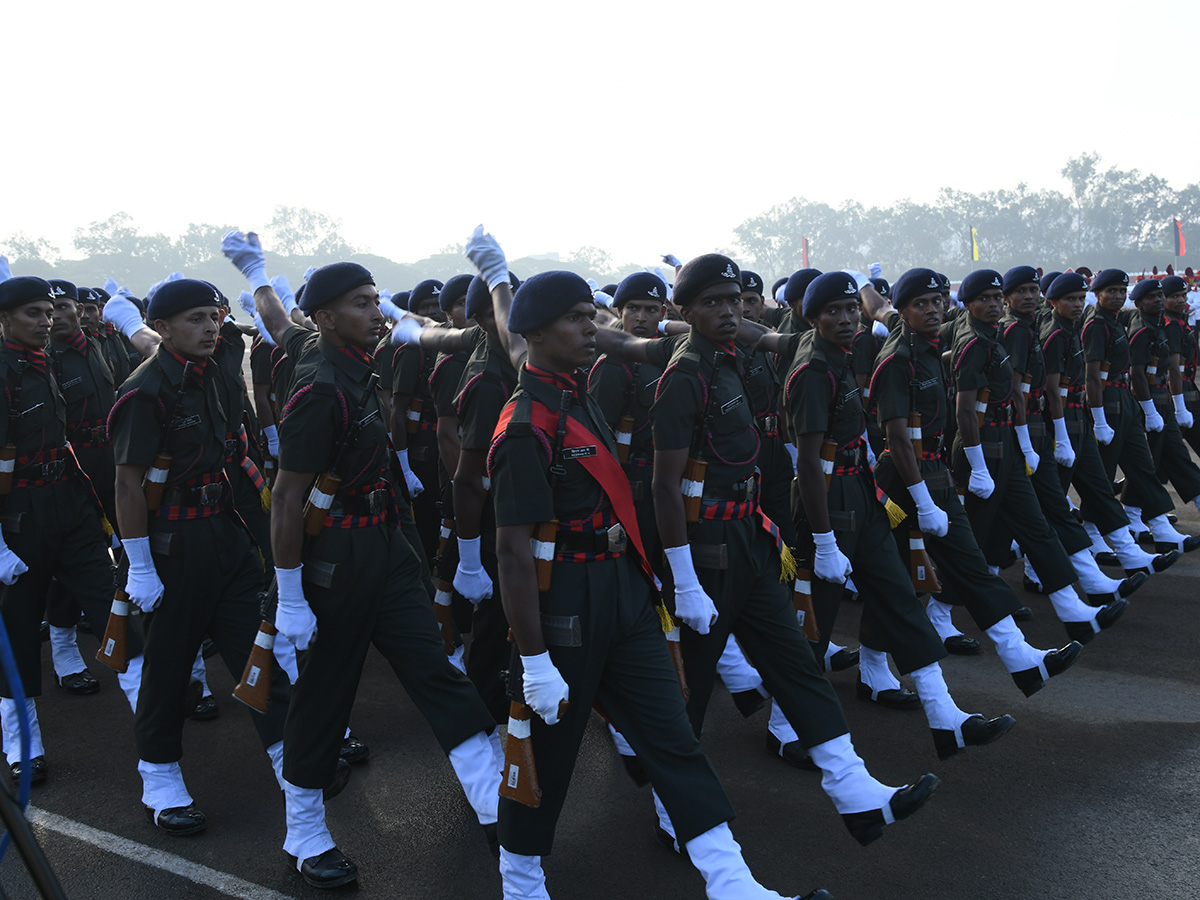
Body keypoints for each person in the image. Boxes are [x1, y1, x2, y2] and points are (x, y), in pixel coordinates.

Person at [467, 228, 846, 900]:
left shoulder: (570, 380)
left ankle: (733, 883)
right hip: (565, 608)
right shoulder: (525, 425)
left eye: (593, 314)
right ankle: (521, 882)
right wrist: (531, 661)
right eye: (580, 319)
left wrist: (502, 279)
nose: (595, 327)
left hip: (624, 591)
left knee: (672, 736)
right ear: (539, 333)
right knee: (545, 759)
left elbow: (528, 328)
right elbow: (512, 552)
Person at [222, 232, 501, 890]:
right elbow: (286, 499)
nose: (377, 312)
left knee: (437, 672)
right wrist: (289, 596)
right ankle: (305, 830)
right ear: (327, 317)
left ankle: (493, 803)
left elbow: (274, 317)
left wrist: (257, 272)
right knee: (323, 696)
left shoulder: (324, 345)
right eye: (361, 303)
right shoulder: (321, 388)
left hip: (386, 550)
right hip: (336, 561)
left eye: (377, 300)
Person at [107, 278, 289, 835]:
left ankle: (292, 762)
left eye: (213, 316)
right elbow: (128, 485)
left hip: (225, 532)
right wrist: (138, 563)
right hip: (174, 546)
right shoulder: (145, 392)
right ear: (160, 329)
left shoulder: (215, 374)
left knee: (259, 656)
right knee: (166, 670)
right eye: (195, 319)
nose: (211, 327)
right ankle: (159, 777)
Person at [864, 268, 1082, 696]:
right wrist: (925, 502)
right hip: (903, 478)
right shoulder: (896, 360)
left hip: (935, 471)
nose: (932, 309)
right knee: (895, 579)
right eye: (921, 304)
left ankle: (1019, 654)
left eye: (937, 301)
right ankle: (870, 666)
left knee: (968, 560)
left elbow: (884, 309)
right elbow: (895, 439)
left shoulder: (929, 344)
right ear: (907, 310)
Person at [0, 277, 144, 784]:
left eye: (48, 312)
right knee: (18, 628)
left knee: (111, 606)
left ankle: (152, 728)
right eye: (33, 314)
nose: (46, 321)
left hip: (71, 501)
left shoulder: (47, 363)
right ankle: (23, 743)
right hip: (20, 514)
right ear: (4, 320)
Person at [949, 270, 1127, 645]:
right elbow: (965, 411)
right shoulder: (975, 343)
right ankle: (938, 613)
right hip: (982, 448)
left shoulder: (996, 336)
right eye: (987, 298)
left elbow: (1017, 395)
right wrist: (978, 465)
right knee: (971, 541)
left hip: (1009, 443)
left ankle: (1072, 609)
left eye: (998, 297)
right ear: (967, 304)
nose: (995, 303)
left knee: (1037, 526)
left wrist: (1024, 444)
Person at [1038, 273, 1179, 575]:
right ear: (1053, 301)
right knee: (1053, 497)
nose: (1077, 304)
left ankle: (1128, 552)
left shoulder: (1089, 325)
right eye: (1069, 299)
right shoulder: (1062, 333)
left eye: (1079, 298)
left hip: (1086, 414)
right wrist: (1074, 430)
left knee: (1101, 486)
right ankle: (1035, 570)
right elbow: (1057, 388)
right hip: (1067, 418)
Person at [1082, 269, 1199, 552]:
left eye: (1121, 291)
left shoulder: (1135, 323)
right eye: (1111, 291)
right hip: (1112, 401)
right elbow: (1095, 376)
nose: (1117, 295)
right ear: (1097, 294)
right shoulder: (1100, 325)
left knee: (1143, 465)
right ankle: (1092, 530)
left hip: (1128, 400)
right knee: (1103, 472)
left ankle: (1154, 523)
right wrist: (1100, 418)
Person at [1126, 279, 1200, 516]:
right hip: (1161, 397)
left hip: (1167, 397)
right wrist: (1178, 406)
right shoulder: (1165, 326)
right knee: (1150, 460)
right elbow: (1169, 370)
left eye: (1182, 295)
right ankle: (1131, 514)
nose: (1179, 300)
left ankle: (1138, 512)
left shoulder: (1166, 323)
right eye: (1173, 296)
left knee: (1165, 457)